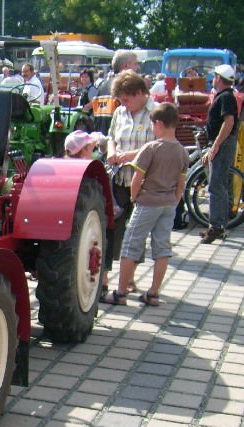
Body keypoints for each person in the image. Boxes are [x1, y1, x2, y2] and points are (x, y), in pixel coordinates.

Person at [102, 102, 189, 306]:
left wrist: (134, 198)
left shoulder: (150, 148)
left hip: (147, 202)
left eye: (152, 125)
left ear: (158, 124)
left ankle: (120, 293)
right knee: (162, 248)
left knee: (130, 245)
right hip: (168, 204)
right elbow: (181, 183)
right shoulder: (182, 152)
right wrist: (175, 200)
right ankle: (153, 293)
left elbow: (137, 178)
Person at [100, 71, 155, 300]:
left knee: (136, 232)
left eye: (126, 99)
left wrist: (128, 156)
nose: (123, 104)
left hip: (143, 182)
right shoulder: (120, 112)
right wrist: (112, 151)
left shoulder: (155, 112)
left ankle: (129, 278)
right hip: (119, 178)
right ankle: (103, 278)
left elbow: (155, 146)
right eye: (121, 100)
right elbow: (111, 137)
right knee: (110, 227)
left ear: (140, 93)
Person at [200, 64, 238, 244]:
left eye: (214, 76)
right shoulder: (226, 96)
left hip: (223, 144)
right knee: (220, 185)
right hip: (223, 143)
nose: (212, 79)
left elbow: (228, 122)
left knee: (215, 186)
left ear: (218, 78)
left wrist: (215, 146)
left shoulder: (226, 97)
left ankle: (215, 227)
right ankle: (219, 226)